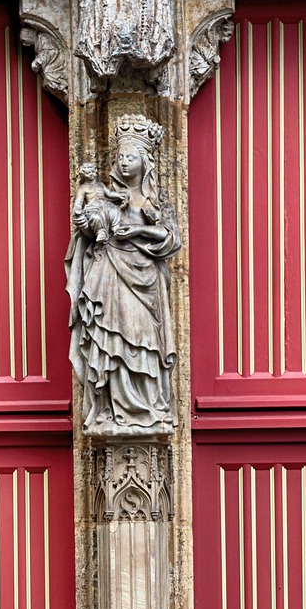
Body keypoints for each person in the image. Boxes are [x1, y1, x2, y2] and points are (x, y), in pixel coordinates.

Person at [65, 115, 181, 433]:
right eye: (121, 157)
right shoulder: (105, 195)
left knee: (144, 337)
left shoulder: (157, 200)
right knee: (111, 336)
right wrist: (88, 218)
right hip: (110, 272)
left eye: (132, 157)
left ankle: (149, 406)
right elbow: (88, 226)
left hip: (146, 278)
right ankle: (111, 406)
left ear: (145, 161)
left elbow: (172, 238)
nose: (125, 163)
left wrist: (136, 231)